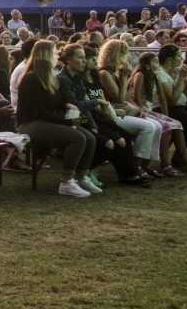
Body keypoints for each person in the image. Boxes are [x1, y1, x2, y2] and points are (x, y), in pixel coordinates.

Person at [16, 40, 99, 197]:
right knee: (77, 137)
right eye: (54, 53)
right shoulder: (31, 78)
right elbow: (40, 112)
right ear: (45, 56)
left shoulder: (50, 78)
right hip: (30, 124)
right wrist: (68, 122)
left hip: (45, 121)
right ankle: (66, 182)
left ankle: (82, 177)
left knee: (90, 137)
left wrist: (66, 105)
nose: (57, 56)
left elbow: (55, 103)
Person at [58, 44, 148, 187]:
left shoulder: (80, 77)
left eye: (84, 58)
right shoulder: (64, 79)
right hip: (77, 120)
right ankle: (84, 172)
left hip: (94, 118)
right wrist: (98, 104)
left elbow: (87, 103)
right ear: (68, 60)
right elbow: (75, 104)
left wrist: (95, 121)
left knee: (123, 137)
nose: (86, 61)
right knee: (111, 142)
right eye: (82, 58)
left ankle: (129, 174)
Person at [97, 39, 163, 179]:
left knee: (157, 126)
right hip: (112, 113)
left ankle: (146, 164)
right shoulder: (105, 73)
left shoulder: (117, 72)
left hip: (123, 110)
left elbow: (126, 97)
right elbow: (119, 99)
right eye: (125, 53)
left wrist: (138, 108)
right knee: (148, 127)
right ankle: (136, 166)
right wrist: (126, 77)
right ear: (115, 54)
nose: (128, 57)